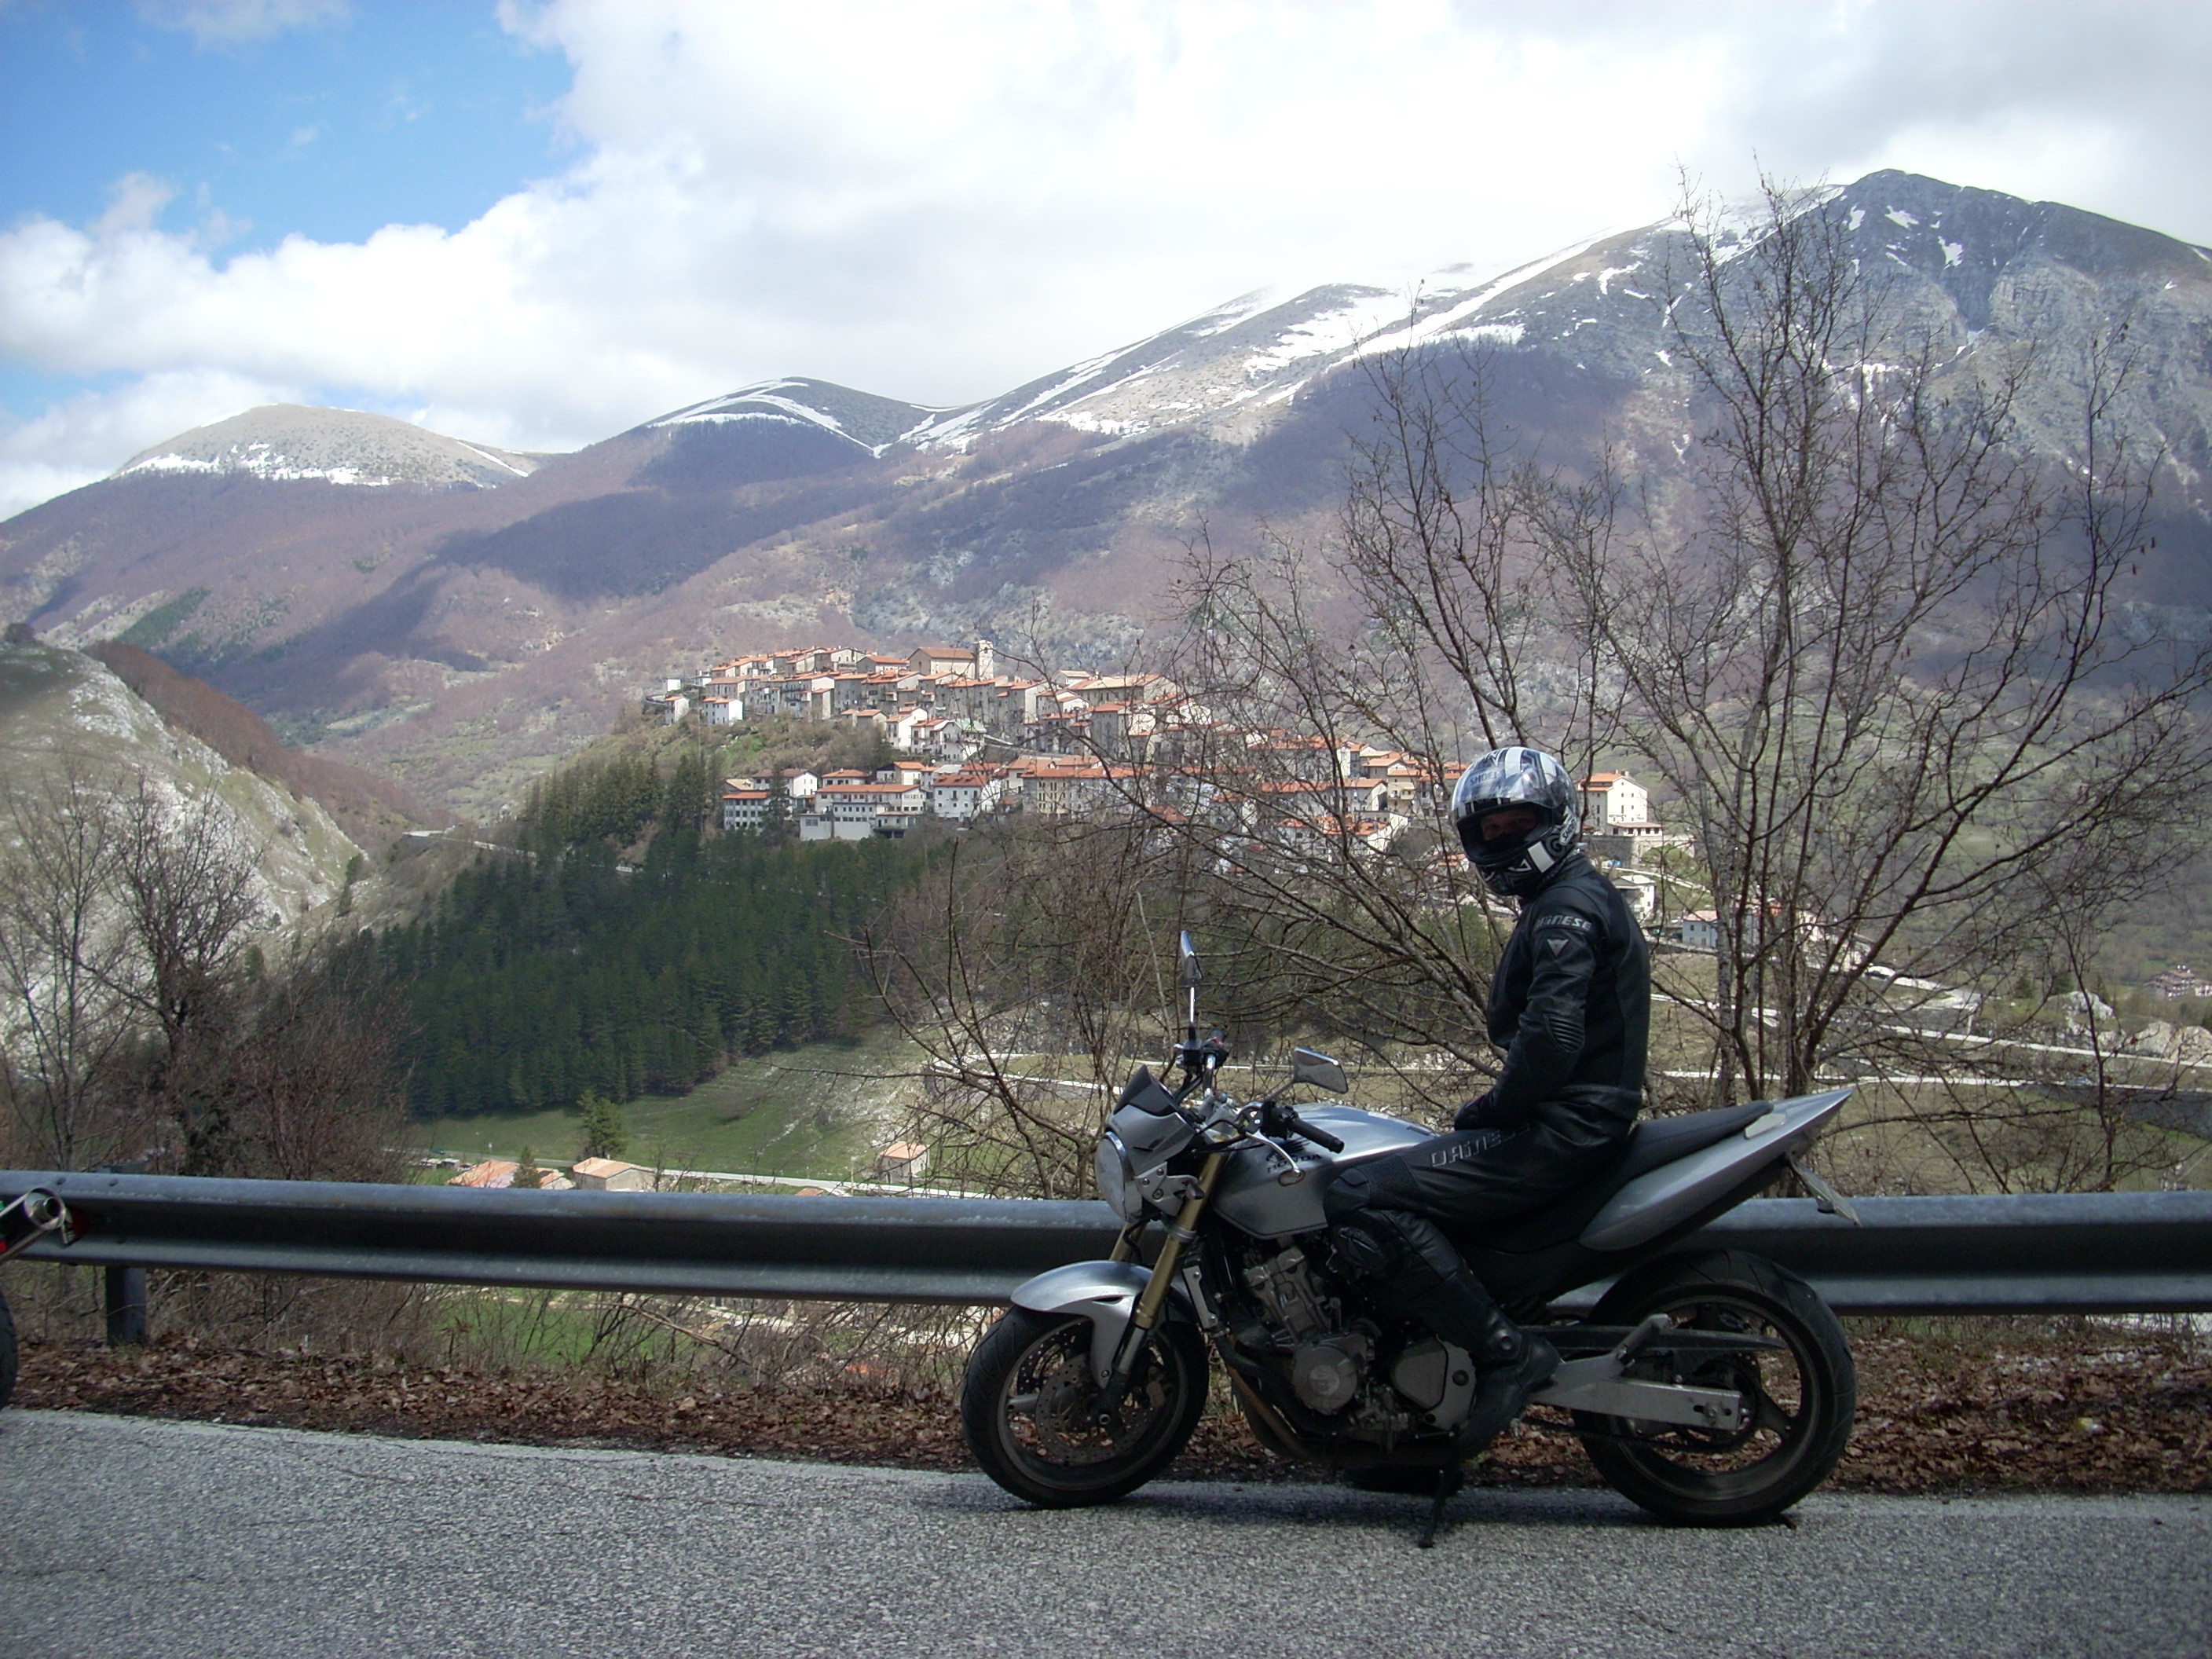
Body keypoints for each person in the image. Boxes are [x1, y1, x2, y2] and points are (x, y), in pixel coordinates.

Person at [1324, 745, 1650, 1449]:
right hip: (1576, 1119)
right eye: (1490, 830)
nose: (1502, 840)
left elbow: (1554, 1036)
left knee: (1358, 1193)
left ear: (1556, 819)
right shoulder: (1566, 896)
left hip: (1565, 1127)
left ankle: (1506, 1353)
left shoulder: (1566, 910)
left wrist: (1494, 1110)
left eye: (1517, 825)